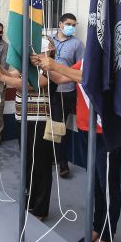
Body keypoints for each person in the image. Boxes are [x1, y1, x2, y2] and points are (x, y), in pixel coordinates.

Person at [31, 52, 121, 242]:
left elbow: (88, 78)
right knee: (95, 185)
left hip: (106, 133)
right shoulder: (85, 60)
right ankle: (96, 228)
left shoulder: (111, 61)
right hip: (86, 129)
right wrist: (45, 67)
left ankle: (107, 237)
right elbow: (63, 78)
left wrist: (54, 63)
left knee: (108, 186)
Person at [0, 42, 54, 219]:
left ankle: (40, 208)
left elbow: (31, 85)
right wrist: (0, 69)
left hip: (40, 121)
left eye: (40, 51)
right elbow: (13, 75)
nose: (35, 54)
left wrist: (2, 78)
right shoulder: (29, 66)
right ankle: (30, 201)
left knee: (40, 164)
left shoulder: (50, 67)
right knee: (28, 161)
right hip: (23, 118)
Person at [51, 13, 84, 178]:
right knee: (48, 124)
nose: (72, 27)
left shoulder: (77, 44)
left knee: (60, 126)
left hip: (66, 90)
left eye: (74, 24)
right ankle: (50, 156)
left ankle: (62, 162)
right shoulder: (49, 40)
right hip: (47, 87)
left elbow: (80, 69)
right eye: (69, 23)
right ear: (60, 24)